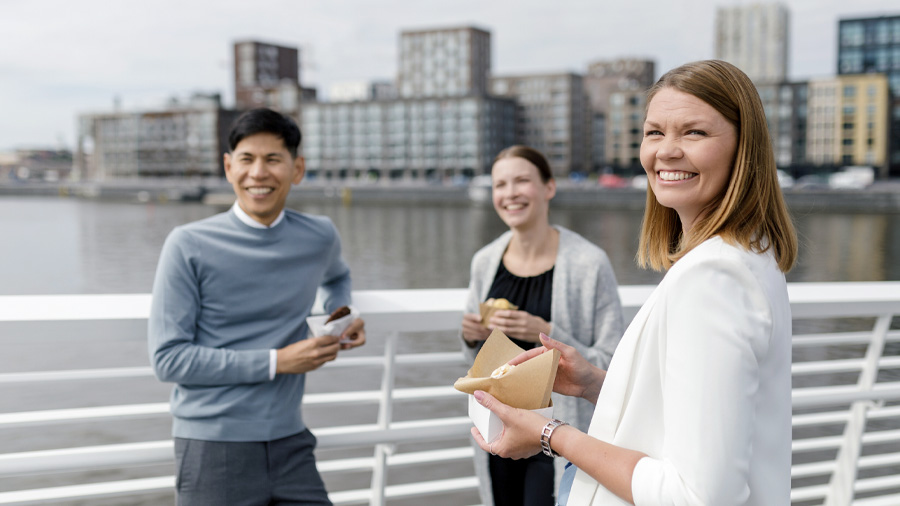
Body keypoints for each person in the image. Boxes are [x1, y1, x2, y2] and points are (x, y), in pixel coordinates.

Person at [469, 59, 798, 505]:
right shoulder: (749, 256)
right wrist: (593, 382)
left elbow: (697, 497)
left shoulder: (712, 278)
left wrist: (550, 435)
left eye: (694, 132)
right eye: (654, 132)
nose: (666, 151)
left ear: (744, 148)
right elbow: (690, 416)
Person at [148, 107, 365, 505]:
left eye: (273, 159)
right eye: (247, 160)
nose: (258, 173)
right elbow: (168, 360)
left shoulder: (318, 235)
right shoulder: (187, 244)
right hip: (212, 447)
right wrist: (278, 361)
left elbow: (336, 277)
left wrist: (342, 315)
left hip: (291, 442)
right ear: (229, 167)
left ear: (297, 169)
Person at [461, 145, 625, 506]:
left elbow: (612, 362)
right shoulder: (484, 261)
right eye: (500, 184)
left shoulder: (589, 263)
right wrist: (470, 336)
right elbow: (475, 362)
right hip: (498, 428)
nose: (510, 193)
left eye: (522, 181)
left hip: (559, 436)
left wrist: (544, 326)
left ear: (549, 187)